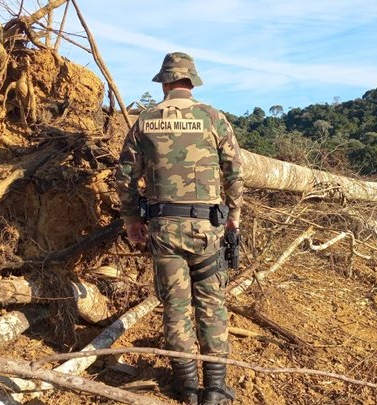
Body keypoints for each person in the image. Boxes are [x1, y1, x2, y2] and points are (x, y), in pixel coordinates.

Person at [115, 52, 244, 405]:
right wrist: (234, 215)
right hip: (207, 229)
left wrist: (131, 220)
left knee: (175, 308)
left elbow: (124, 177)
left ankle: (186, 387)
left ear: (165, 82)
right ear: (191, 82)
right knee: (212, 305)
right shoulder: (213, 118)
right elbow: (234, 172)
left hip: (164, 230)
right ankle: (215, 390)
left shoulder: (146, 121)